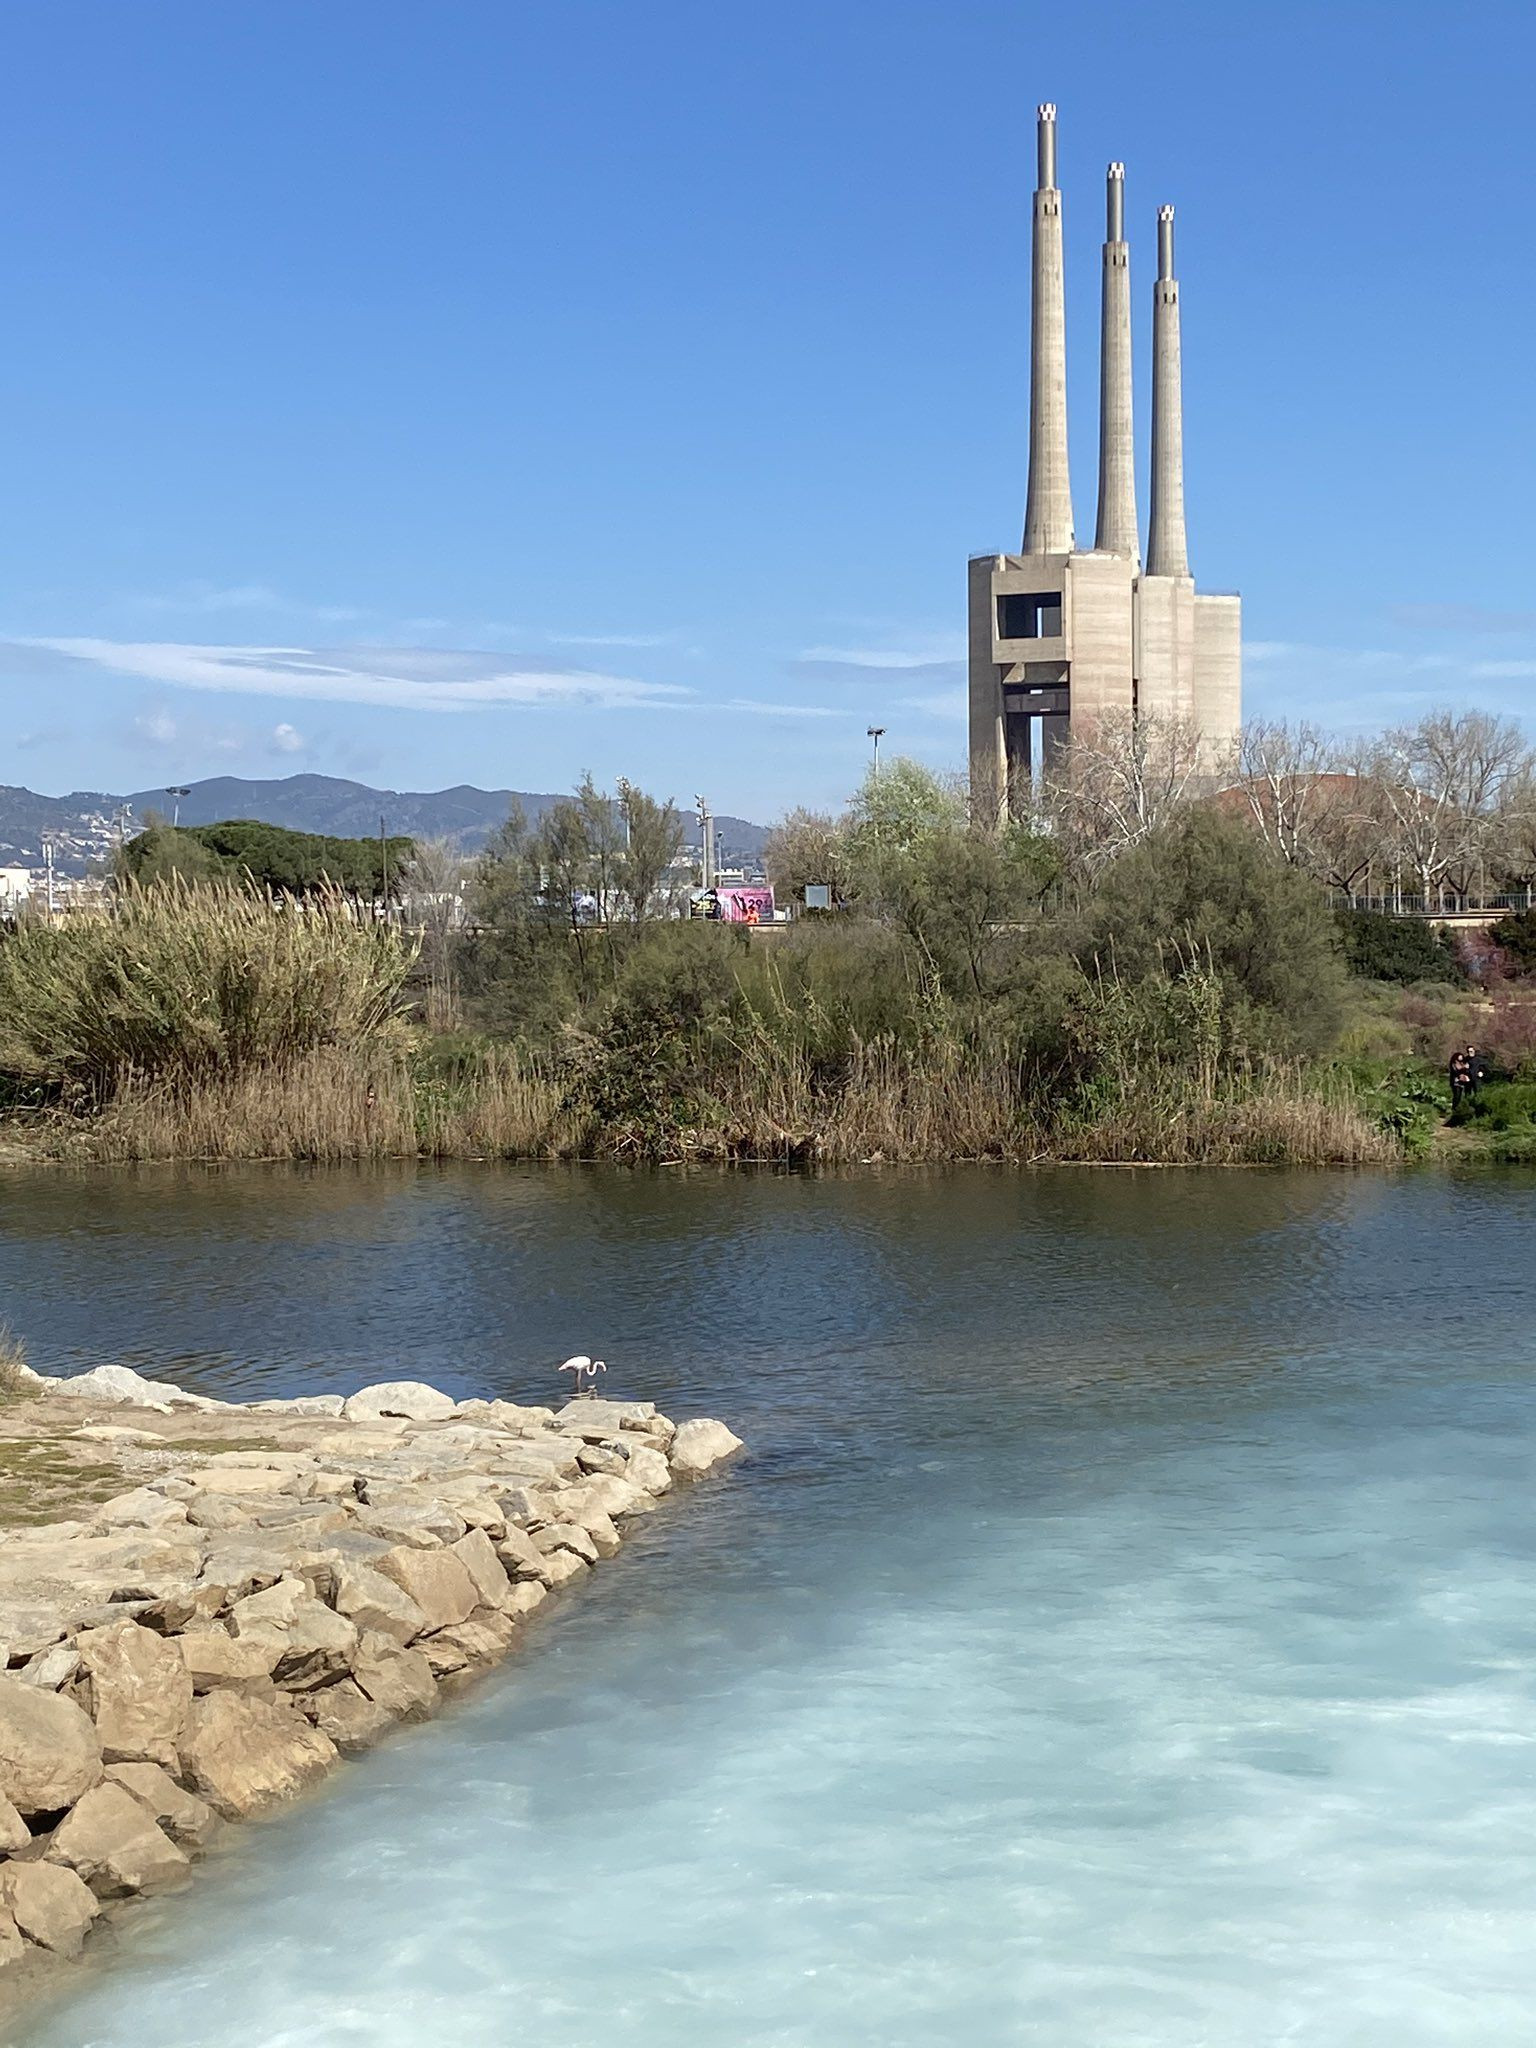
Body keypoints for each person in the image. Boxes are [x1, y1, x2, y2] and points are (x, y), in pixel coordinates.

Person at [1449, 1044, 1487, 1110]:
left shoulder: (1479, 1059)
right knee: (1467, 1094)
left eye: (1471, 1051)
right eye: (1469, 1051)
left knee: (1478, 1093)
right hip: (1468, 1080)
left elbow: (1484, 1068)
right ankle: (1467, 1108)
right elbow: (1460, 1068)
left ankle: (1479, 1108)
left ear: (1474, 1051)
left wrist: (1482, 1072)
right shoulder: (1465, 1059)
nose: (1470, 1052)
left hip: (1477, 1079)